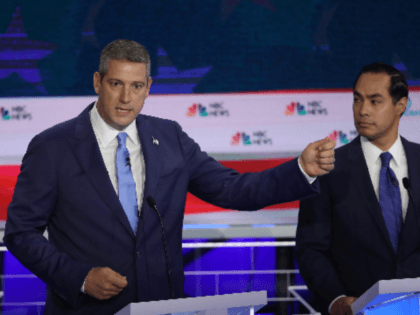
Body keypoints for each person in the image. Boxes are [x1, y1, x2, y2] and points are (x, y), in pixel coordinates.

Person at [4, 39, 335, 315]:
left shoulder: (170, 137)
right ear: (97, 82)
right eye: (116, 84)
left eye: (136, 86)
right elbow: (20, 232)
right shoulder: (52, 147)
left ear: (148, 88)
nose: (125, 98)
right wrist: (79, 277)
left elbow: (233, 189)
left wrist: (300, 170)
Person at [295, 62, 420, 315]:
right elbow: (311, 249)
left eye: (375, 101)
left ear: (400, 105)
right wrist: (335, 300)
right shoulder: (328, 169)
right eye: (357, 100)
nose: (362, 110)